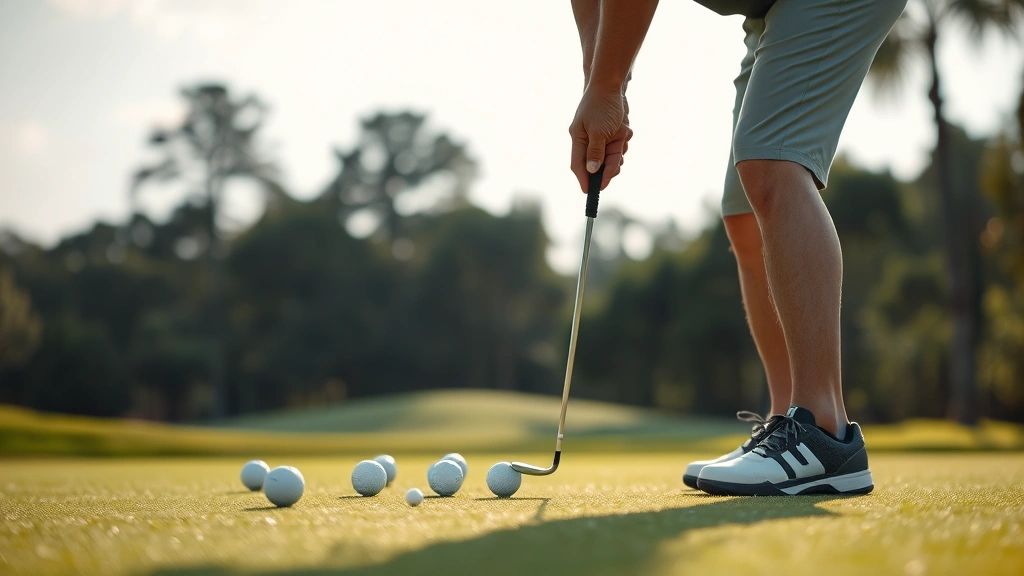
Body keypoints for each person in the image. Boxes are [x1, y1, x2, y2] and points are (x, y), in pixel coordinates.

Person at [568, 0, 906, 495]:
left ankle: (823, 430)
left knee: (772, 162)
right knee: (745, 213)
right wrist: (599, 85)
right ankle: (788, 421)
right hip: (772, 10)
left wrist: (606, 89)